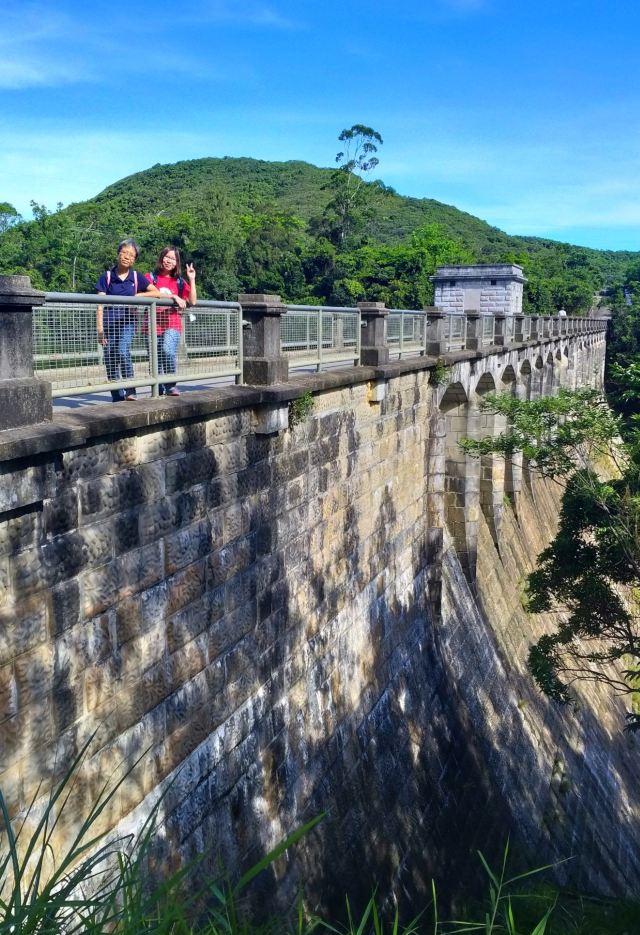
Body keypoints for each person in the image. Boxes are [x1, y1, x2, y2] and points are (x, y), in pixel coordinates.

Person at [96, 240, 159, 402]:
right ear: (118, 254)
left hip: (127, 322)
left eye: (131, 255)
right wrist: (100, 330)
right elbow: (100, 304)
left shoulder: (136, 277)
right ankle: (117, 396)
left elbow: (156, 292)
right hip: (109, 324)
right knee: (110, 357)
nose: (127, 257)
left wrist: (138, 295)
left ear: (134, 260)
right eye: (124, 252)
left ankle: (130, 389)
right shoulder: (107, 277)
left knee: (123, 350)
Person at [146, 246, 197, 396]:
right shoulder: (150, 278)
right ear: (161, 258)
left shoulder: (179, 281)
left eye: (173, 259)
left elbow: (193, 301)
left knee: (167, 350)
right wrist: (172, 297)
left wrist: (192, 279)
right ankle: (158, 389)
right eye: (167, 257)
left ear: (177, 263)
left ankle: (170, 384)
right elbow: (141, 294)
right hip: (152, 325)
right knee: (155, 359)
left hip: (172, 323)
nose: (169, 261)